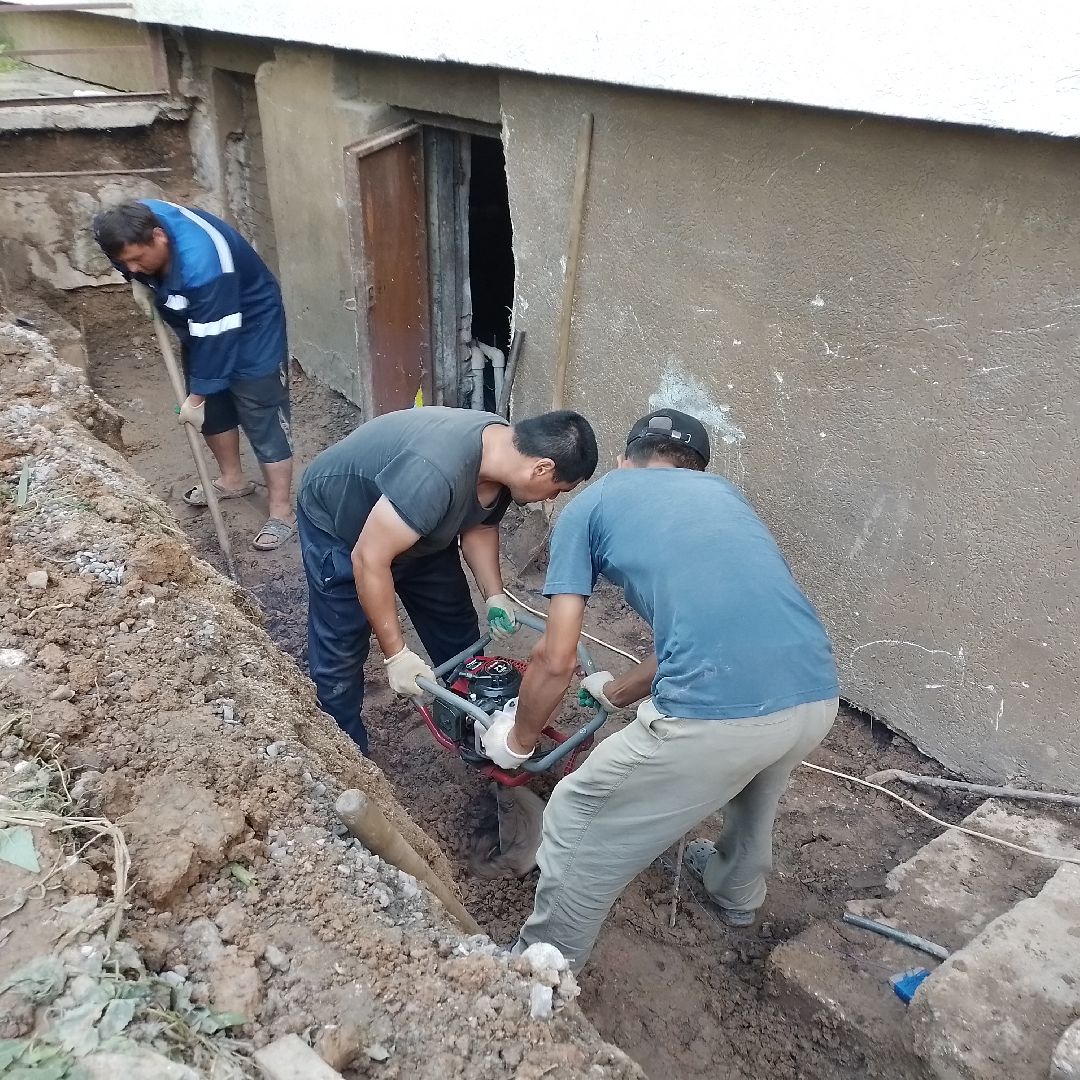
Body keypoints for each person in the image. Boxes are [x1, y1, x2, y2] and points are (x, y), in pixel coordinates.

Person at [480, 408, 840, 972]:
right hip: (814, 695)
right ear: (695, 470)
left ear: (626, 460)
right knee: (756, 786)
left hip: (715, 718)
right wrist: (615, 692)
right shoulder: (724, 499)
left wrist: (518, 741)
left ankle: (540, 971)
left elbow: (556, 657)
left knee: (576, 816)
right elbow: (710, 631)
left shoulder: (596, 502)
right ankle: (735, 895)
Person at [296, 406, 598, 755]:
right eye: (558, 489)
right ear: (542, 467)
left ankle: (470, 729)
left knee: (457, 632)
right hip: (343, 526)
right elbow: (369, 558)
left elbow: (480, 524)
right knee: (342, 647)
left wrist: (494, 595)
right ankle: (344, 754)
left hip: (419, 530)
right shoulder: (437, 471)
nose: (552, 498)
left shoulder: (503, 455)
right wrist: (396, 654)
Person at [91, 199, 295, 551]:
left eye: (139, 260)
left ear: (160, 237)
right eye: (125, 262)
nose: (133, 266)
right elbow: (123, 255)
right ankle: (232, 481)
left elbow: (217, 343)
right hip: (203, 324)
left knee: (261, 413)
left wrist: (196, 397)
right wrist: (135, 277)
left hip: (250, 323)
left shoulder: (205, 263)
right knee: (213, 411)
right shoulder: (123, 226)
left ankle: (282, 511)